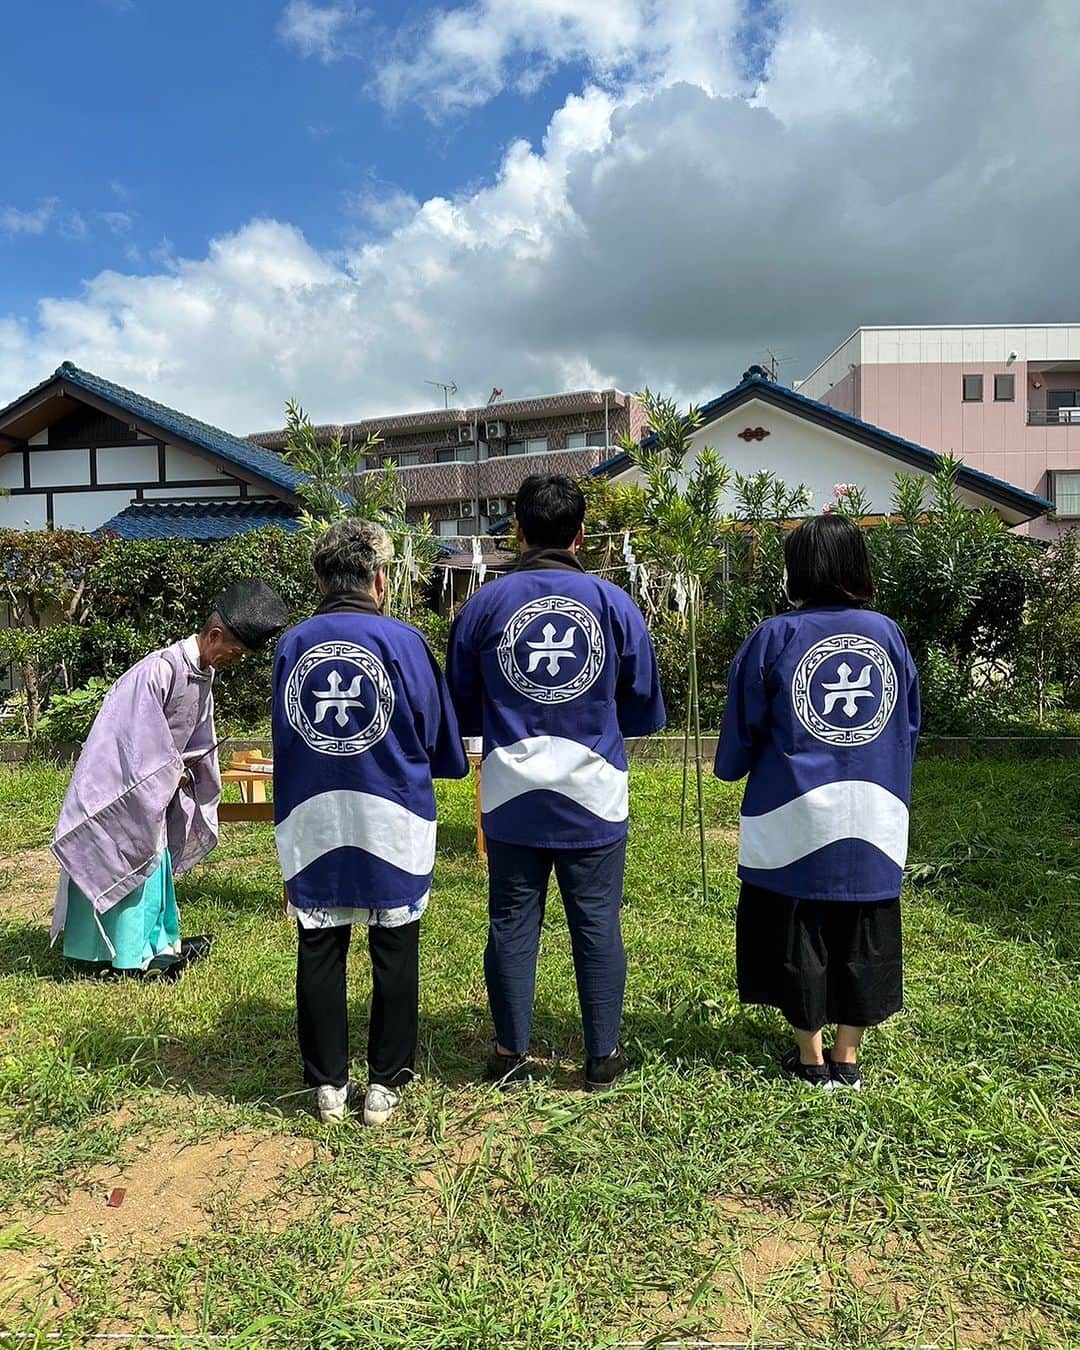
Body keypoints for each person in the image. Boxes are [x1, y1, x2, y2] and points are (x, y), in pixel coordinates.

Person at [446, 475, 665, 1092]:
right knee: (596, 921)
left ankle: (510, 1052)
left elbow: (460, 709)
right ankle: (602, 1057)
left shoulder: (482, 607)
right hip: (593, 790)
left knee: (512, 921)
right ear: (582, 534)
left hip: (511, 790)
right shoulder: (614, 604)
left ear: (515, 531)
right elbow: (643, 707)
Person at [714, 513, 921, 1090]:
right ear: (859, 567)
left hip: (793, 814)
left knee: (796, 924)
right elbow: (908, 725)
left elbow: (742, 729)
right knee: (865, 924)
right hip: (875, 808)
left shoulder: (774, 637)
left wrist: (732, 767)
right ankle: (848, 1057)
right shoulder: (888, 635)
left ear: (798, 571)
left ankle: (810, 1057)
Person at [272, 519, 467, 1127]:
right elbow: (440, 742)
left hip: (312, 815)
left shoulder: (291, 646)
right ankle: (386, 1085)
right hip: (393, 813)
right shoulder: (404, 643)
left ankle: (328, 1086)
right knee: (394, 945)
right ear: (379, 578)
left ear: (318, 578)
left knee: (320, 946)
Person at [50, 579, 289, 980]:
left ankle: (156, 946)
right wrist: (167, 771)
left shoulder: (202, 674)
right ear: (215, 635)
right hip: (119, 788)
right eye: (236, 651)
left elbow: (198, 733)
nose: (237, 660)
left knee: (153, 860)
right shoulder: (159, 670)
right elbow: (132, 736)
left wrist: (191, 768)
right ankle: (119, 958)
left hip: (155, 787)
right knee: (127, 857)